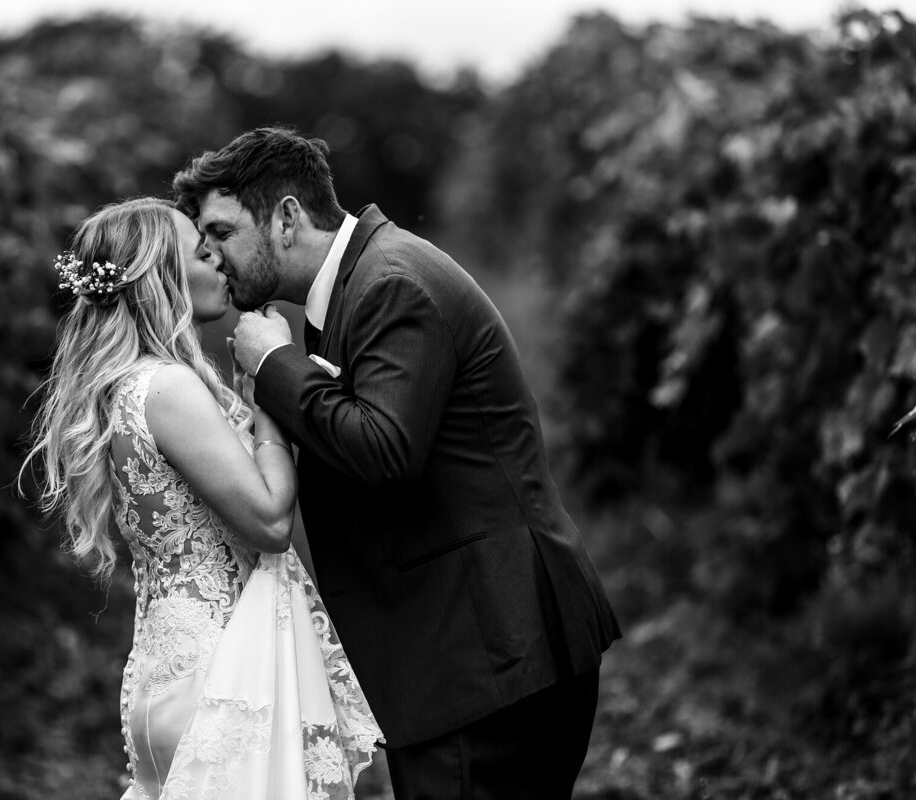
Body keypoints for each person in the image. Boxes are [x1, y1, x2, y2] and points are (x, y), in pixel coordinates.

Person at [172, 128, 622, 800]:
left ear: (288, 217)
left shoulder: (392, 283)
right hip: (465, 659)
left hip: (489, 658)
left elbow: (385, 453)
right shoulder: (356, 286)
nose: (210, 254)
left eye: (221, 231)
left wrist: (275, 365)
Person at [21, 197, 380, 800]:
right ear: (163, 276)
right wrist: (271, 397)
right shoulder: (168, 388)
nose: (218, 259)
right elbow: (268, 520)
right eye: (200, 250)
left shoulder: (125, 387)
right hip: (222, 673)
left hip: (171, 665)